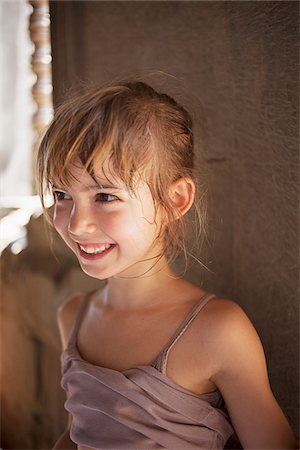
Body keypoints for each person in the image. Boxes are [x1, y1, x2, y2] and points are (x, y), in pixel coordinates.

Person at [37, 80, 297, 450]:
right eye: (62, 194)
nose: (77, 223)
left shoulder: (219, 331)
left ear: (173, 200)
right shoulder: (73, 317)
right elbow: (78, 436)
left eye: (106, 196)